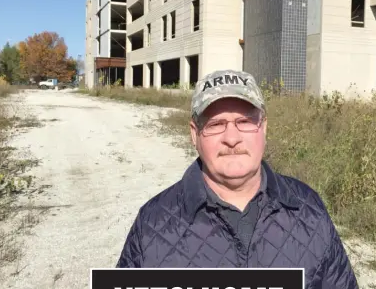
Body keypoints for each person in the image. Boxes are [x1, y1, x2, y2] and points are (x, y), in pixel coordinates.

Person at [116, 69, 358, 288]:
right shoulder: (152, 224)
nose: (232, 138)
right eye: (216, 124)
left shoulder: (308, 207)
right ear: (194, 134)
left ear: (263, 128)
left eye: (244, 121)